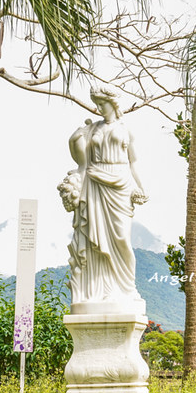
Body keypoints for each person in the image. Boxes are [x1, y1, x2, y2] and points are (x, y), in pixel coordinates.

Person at [61, 86, 147, 311]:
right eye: (96, 104)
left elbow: (133, 162)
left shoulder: (125, 130)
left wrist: (140, 186)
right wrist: (77, 136)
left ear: (113, 103)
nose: (99, 108)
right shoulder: (93, 129)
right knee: (94, 240)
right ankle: (99, 290)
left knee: (122, 239)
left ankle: (127, 288)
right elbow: (79, 155)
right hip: (95, 182)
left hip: (120, 184)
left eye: (102, 103)